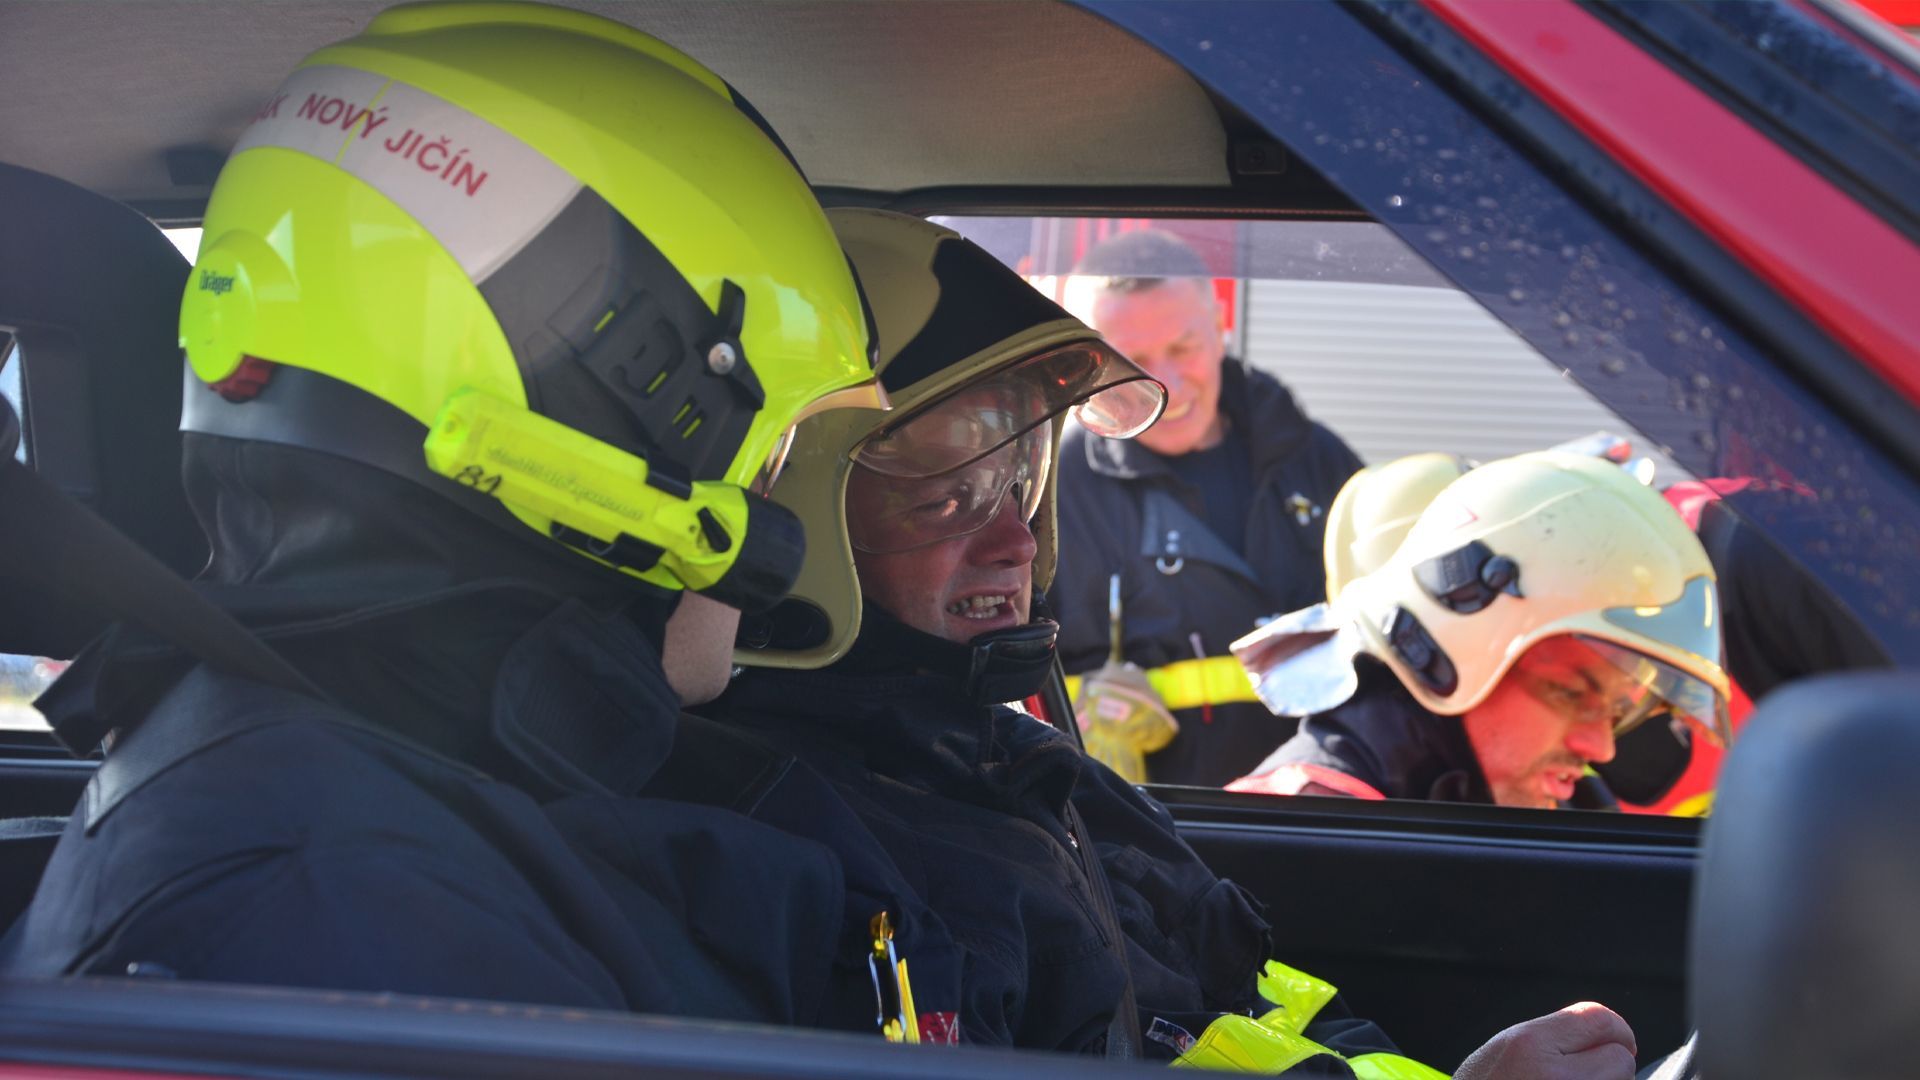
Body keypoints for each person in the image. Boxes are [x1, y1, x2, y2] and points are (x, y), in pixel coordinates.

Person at [0, 1, 911, 1034]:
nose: (772, 519)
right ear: (631, 401)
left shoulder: (390, 787)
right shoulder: (338, 915)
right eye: (771, 457)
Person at [711, 209, 1639, 1077]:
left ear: (1219, 326)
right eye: (950, 496)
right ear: (801, 521)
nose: (1019, 543)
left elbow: (1250, 1018)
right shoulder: (803, 857)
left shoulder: (1043, 778)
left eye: (1018, 484)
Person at [1229, 451, 1733, 810]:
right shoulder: (1304, 831)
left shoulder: (1553, 809)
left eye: (1619, 710)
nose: (1601, 749)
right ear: (1447, 656)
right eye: (1570, 693)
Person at [1050, 229, 1363, 787]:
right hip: (1161, 825)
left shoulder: (1314, 460)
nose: (1165, 385)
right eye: (1133, 361)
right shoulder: (1053, 494)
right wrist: (1073, 724)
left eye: (1182, 348)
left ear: (1219, 326)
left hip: (1319, 810)